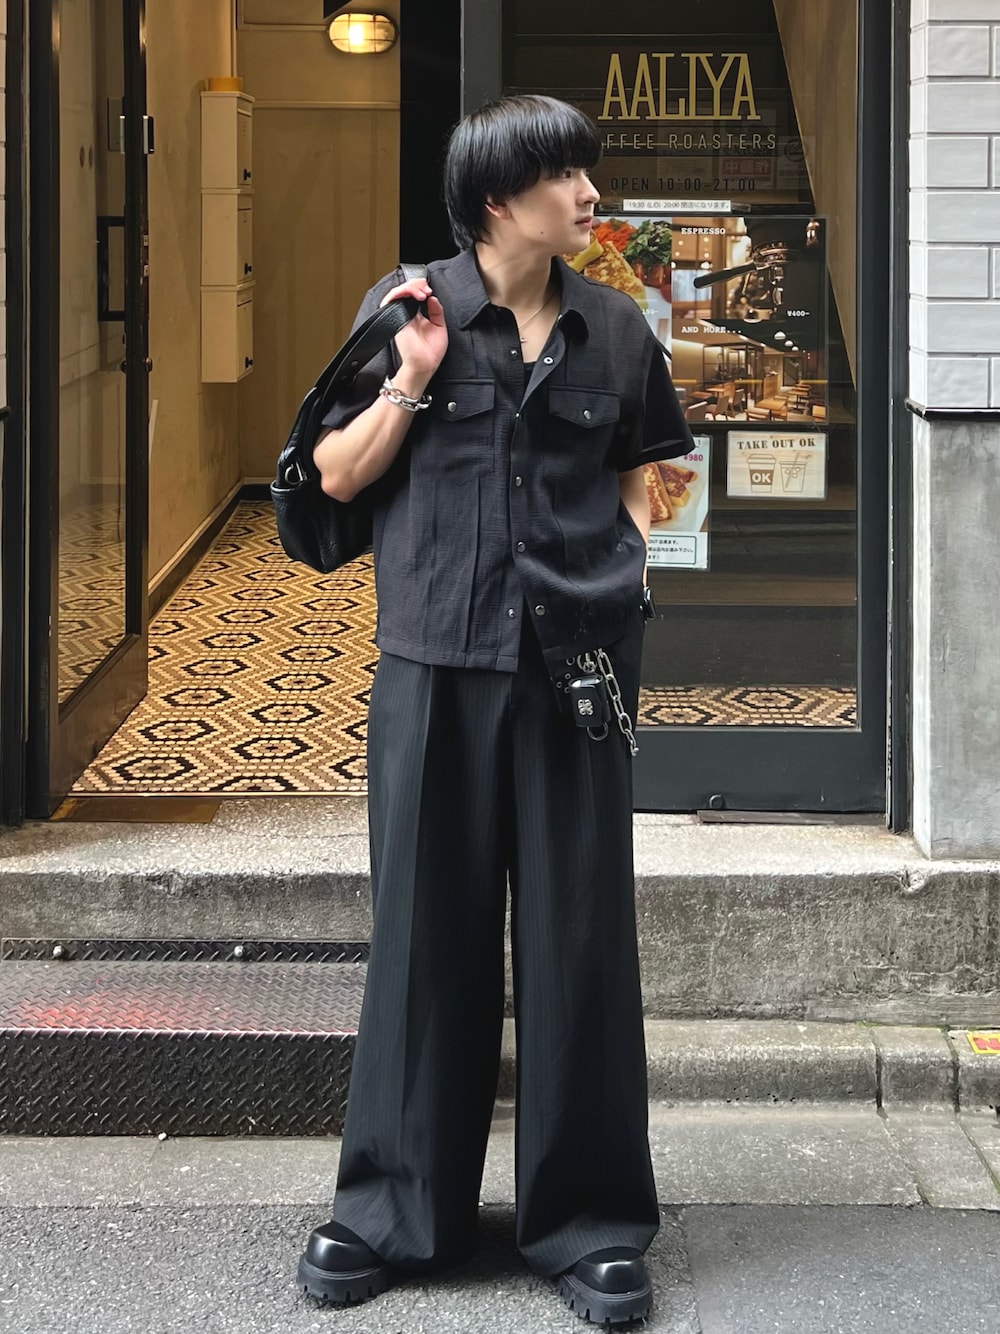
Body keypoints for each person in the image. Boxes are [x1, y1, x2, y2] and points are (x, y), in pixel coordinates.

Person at [297, 94, 693, 1326]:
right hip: (434, 664)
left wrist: (622, 570)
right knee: (424, 938)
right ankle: (392, 1210)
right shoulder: (404, 309)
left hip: (577, 668)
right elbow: (332, 478)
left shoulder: (615, 327)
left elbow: (647, 466)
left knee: (581, 939)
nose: (589, 194)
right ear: (496, 200)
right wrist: (411, 383)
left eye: (585, 171)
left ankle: (589, 1220)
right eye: (564, 175)